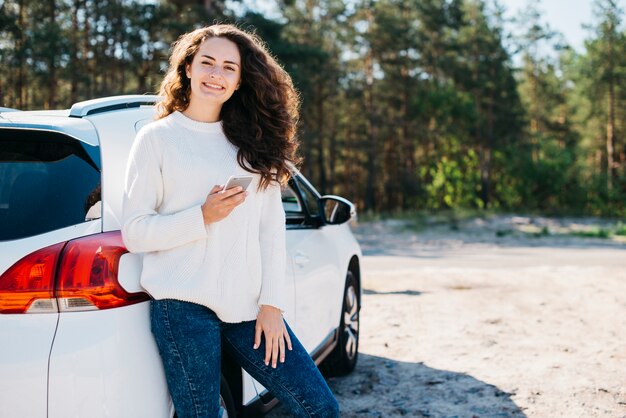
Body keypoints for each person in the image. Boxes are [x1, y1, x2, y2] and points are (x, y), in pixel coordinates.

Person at [121, 24, 339, 418]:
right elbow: (135, 232)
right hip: (181, 306)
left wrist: (272, 305)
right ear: (188, 68)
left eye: (228, 68)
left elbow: (270, 233)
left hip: (248, 309)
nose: (216, 75)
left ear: (240, 81)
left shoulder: (253, 145)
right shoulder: (155, 139)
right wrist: (202, 216)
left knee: (319, 407)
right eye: (207, 63)